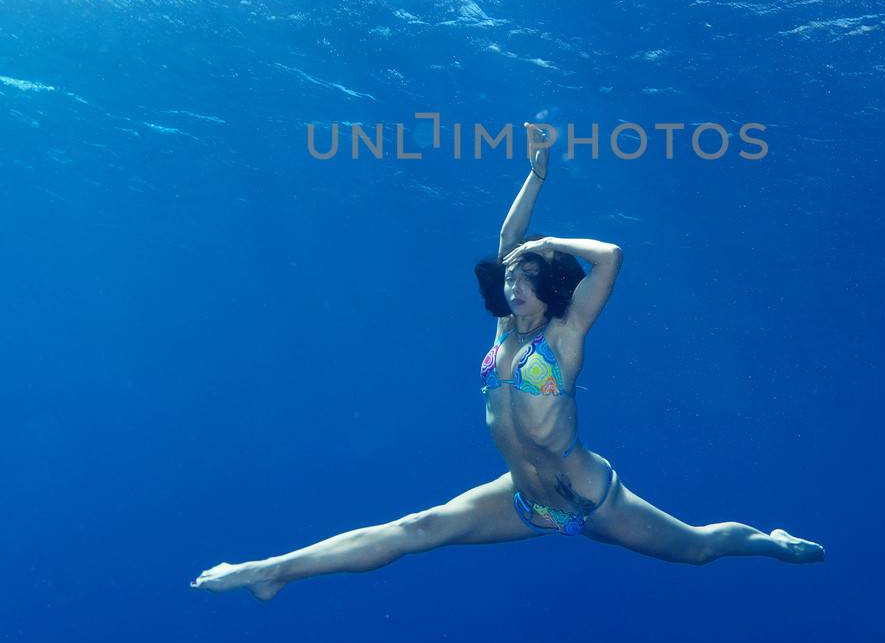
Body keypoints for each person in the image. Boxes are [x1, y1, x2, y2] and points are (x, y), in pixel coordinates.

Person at [191, 122, 823, 601]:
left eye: (525, 278)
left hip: (593, 502)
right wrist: (538, 172)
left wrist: (546, 242)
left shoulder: (565, 336)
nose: (514, 285)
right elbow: (502, 242)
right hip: (522, 502)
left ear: (546, 287)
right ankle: (270, 571)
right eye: (510, 279)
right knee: (418, 527)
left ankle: (770, 542)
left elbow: (612, 255)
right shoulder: (504, 330)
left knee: (699, 550)